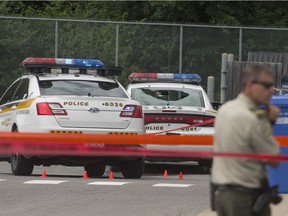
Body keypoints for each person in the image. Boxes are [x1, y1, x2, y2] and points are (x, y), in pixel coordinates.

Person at [211, 64, 280, 216]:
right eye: (267, 85)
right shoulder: (253, 118)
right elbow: (274, 159)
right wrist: (270, 123)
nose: (272, 90)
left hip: (222, 194)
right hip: (244, 197)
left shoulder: (225, 110)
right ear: (250, 85)